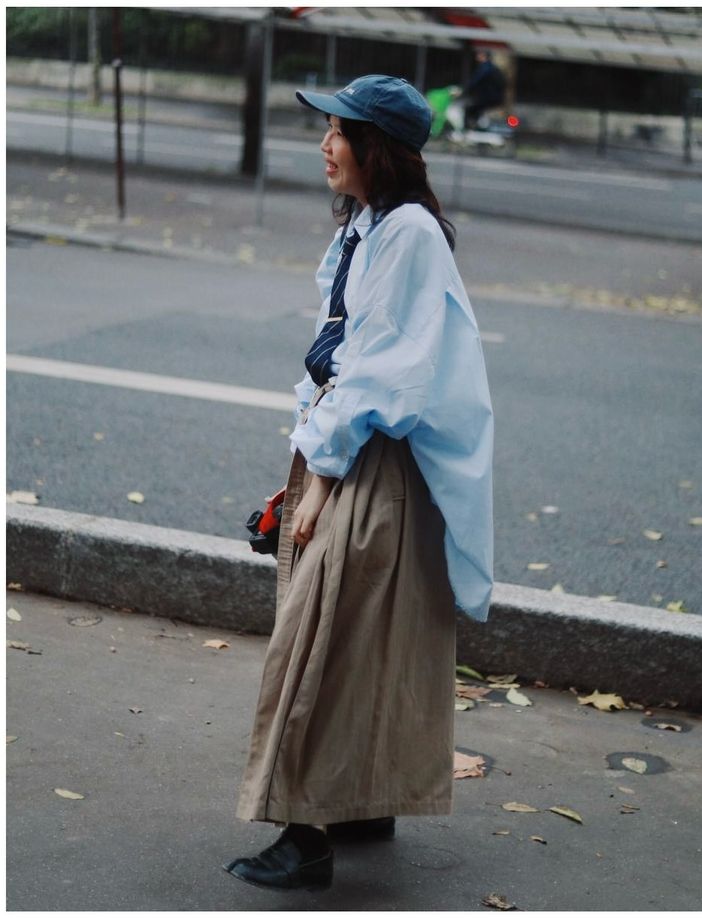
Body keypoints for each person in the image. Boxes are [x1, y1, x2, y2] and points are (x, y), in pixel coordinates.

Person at [223, 74, 494, 892]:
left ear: (375, 144)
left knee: (319, 647)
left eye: (337, 130)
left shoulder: (409, 233)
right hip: (352, 453)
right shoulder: (367, 228)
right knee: (376, 644)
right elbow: (336, 353)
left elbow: (384, 376)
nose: (324, 143)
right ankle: (366, 802)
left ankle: (305, 834)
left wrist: (324, 483)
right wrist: (303, 464)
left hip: (376, 464)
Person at [460, 49, 506, 129]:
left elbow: (476, 80)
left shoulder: (485, 68)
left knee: (469, 110)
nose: (477, 57)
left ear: (483, 56)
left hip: (488, 97)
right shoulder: (493, 67)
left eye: (479, 55)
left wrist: (464, 90)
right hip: (494, 97)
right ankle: (476, 126)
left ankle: (470, 128)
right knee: (476, 110)